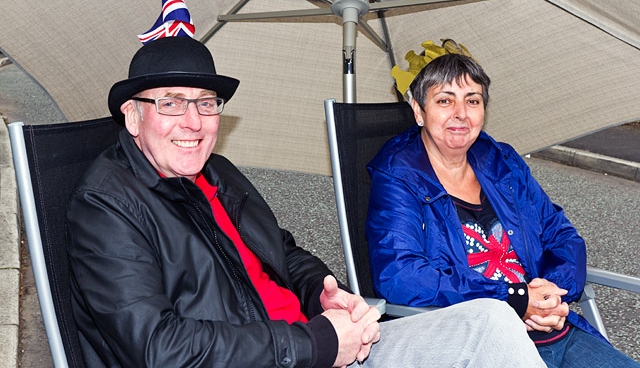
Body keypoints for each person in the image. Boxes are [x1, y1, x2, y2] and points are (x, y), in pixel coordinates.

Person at [66, 36, 547, 367]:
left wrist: (321, 289)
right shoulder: (105, 207)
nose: (192, 122)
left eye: (206, 103)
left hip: (313, 348)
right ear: (132, 117)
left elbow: (282, 250)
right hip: (293, 354)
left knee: (491, 321)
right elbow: (159, 350)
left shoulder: (216, 173)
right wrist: (315, 343)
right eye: (171, 102)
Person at [366, 52, 640, 368]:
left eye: (472, 101)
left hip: (553, 331)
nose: (460, 114)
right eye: (444, 101)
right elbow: (400, 276)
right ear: (418, 110)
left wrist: (550, 293)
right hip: (484, 345)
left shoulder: (502, 161)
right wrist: (513, 298)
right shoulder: (398, 175)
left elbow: (562, 236)